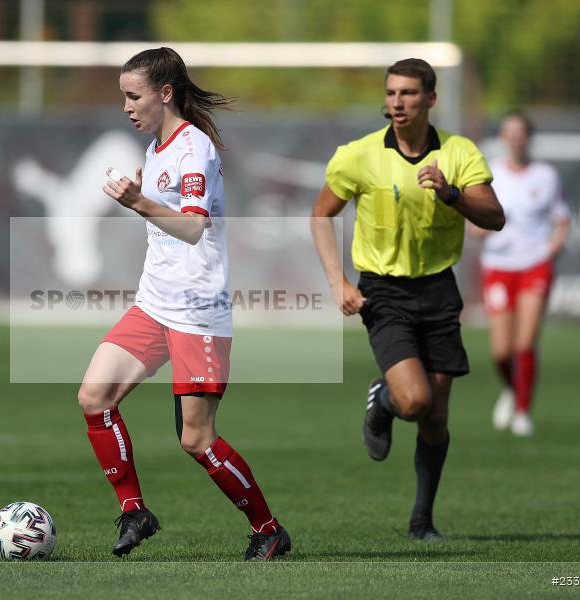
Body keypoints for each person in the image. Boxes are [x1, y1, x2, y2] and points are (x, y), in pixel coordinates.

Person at [78, 47, 290, 561]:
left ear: (165, 93)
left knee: (196, 440)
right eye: (123, 97)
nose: (126, 107)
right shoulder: (157, 148)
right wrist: (144, 194)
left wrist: (138, 201)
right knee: (94, 396)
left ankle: (268, 529)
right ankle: (135, 511)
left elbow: (194, 227)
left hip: (197, 312)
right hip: (154, 304)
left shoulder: (194, 149)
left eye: (134, 96)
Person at [310, 58, 505, 541]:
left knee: (436, 418)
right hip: (383, 291)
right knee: (415, 401)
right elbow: (320, 215)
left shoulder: (458, 152)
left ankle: (422, 522)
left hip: (438, 290)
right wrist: (338, 283)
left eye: (409, 93)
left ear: (431, 99)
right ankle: (383, 399)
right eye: (392, 92)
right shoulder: (359, 155)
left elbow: (495, 217)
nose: (398, 102)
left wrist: (452, 194)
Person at [473, 112, 570, 437]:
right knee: (501, 352)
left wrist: (552, 248)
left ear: (529, 137)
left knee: (524, 342)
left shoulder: (545, 176)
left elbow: (562, 219)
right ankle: (512, 389)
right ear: (502, 137)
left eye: (521, 132)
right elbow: (473, 223)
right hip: (498, 266)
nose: (515, 138)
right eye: (509, 132)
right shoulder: (489, 173)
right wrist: (481, 227)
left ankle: (523, 412)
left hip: (534, 265)